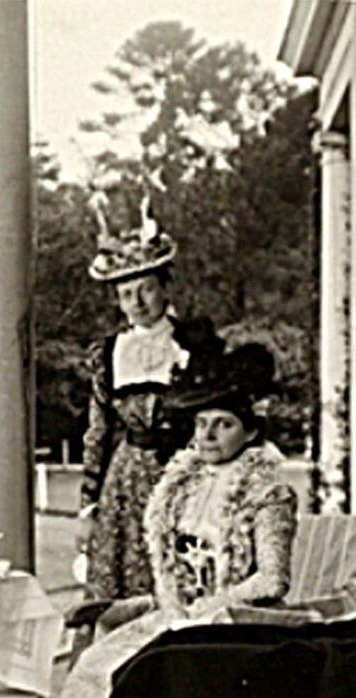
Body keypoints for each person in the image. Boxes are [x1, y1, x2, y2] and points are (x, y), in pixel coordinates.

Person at [20, 342, 296, 698]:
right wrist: (159, 608)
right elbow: (174, 573)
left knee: (138, 678)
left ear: (251, 430)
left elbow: (272, 581)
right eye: (202, 425)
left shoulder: (267, 490)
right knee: (94, 668)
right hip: (181, 614)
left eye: (224, 424)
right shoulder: (181, 484)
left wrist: (206, 610)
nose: (209, 436)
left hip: (236, 623)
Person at [78, 195, 223, 612]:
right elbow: (99, 428)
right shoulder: (109, 352)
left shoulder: (192, 343)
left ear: (164, 287)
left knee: (182, 574)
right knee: (118, 581)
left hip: (181, 472)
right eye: (126, 294)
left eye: (145, 290)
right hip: (124, 477)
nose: (137, 303)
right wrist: (89, 501)